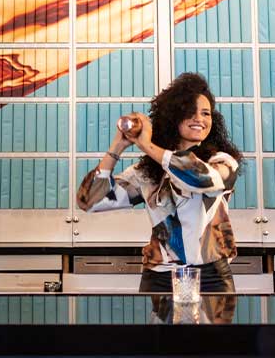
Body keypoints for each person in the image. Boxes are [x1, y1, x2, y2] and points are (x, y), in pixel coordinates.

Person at [76, 72, 243, 294]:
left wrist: (146, 145)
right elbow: (90, 201)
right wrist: (117, 146)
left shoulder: (221, 161)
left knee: (213, 331)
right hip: (161, 277)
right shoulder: (147, 173)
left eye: (206, 113)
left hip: (212, 276)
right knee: (160, 330)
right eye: (189, 112)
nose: (199, 119)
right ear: (173, 117)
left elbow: (201, 179)